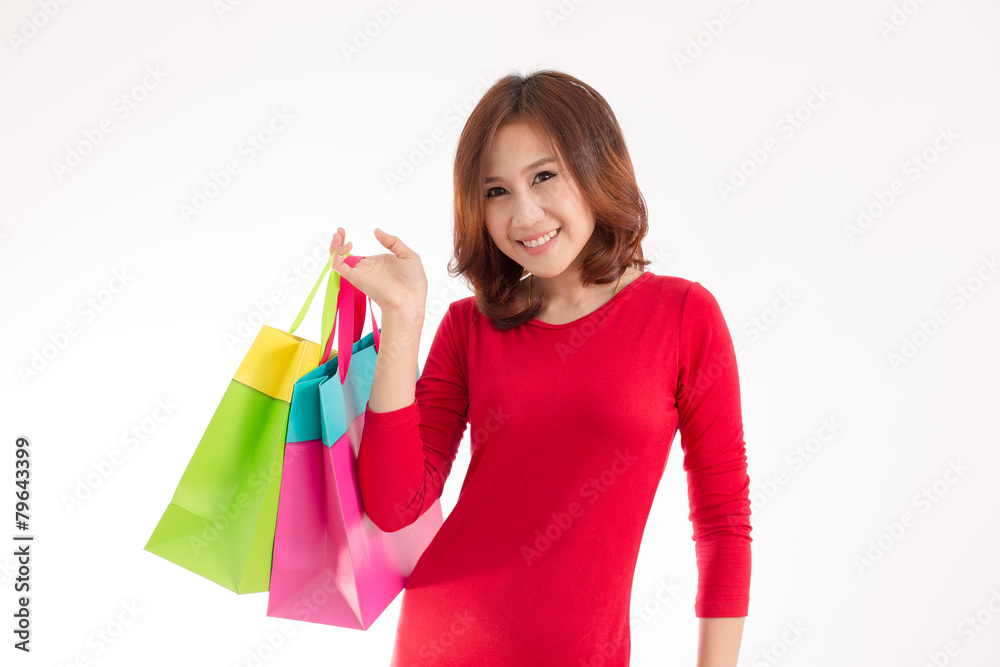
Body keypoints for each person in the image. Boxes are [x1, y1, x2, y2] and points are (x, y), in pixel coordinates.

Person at [329, 69, 752, 666]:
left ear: (597, 168)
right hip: (441, 642)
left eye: (544, 176)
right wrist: (402, 317)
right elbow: (395, 505)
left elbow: (723, 522)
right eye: (496, 191)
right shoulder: (469, 327)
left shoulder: (682, 316)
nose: (524, 215)